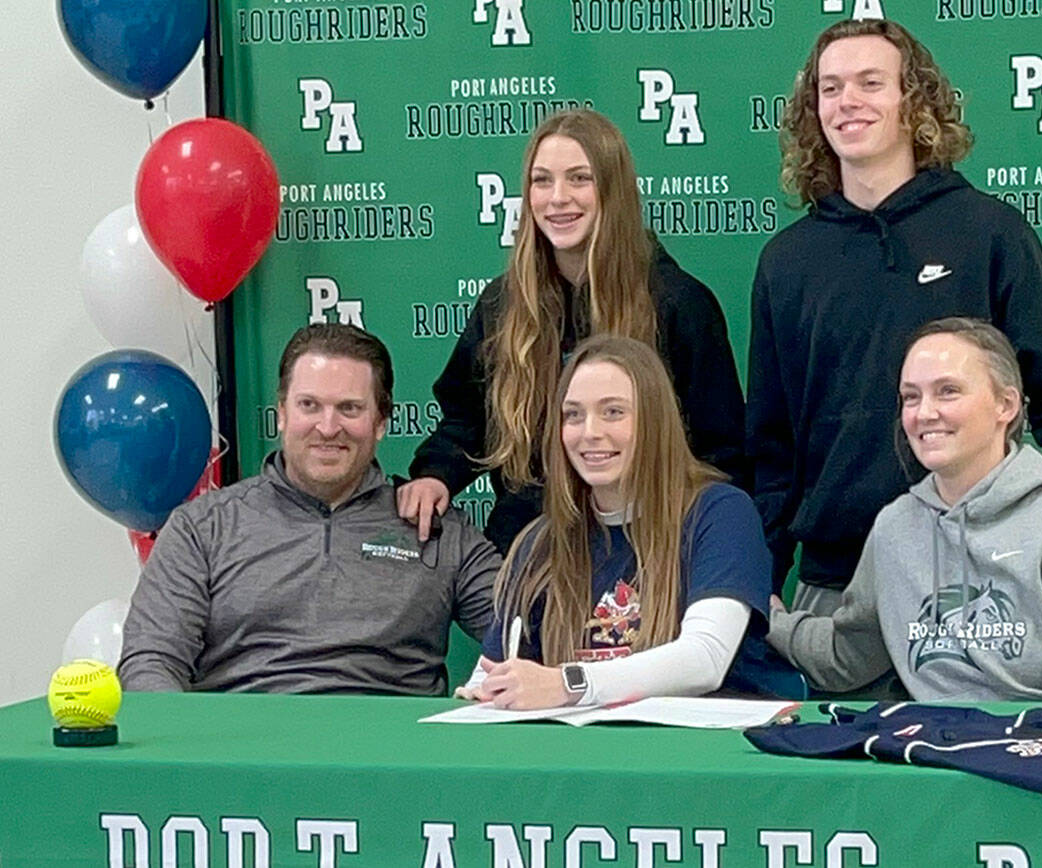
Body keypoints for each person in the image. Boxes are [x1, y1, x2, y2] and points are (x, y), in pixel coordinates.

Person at [747, 19, 1042, 617]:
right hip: (835, 588)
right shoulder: (787, 262)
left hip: (982, 576)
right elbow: (771, 452)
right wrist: (754, 580)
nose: (849, 103)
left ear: (912, 102)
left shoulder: (989, 233)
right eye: (831, 88)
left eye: (871, 83)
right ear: (812, 110)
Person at [399, 108, 746, 555]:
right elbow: (469, 418)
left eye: (579, 178)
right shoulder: (503, 305)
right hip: (528, 546)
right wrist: (435, 473)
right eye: (542, 181)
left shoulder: (679, 305)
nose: (558, 197)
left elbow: (720, 456)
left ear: (613, 189)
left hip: (646, 551)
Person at [766, 318, 1042, 701]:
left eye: (948, 391)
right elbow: (848, 656)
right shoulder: (895, 527)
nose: (925, 413)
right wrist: (764, 616)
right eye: (911, 397)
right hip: (935, 753)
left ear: (1007, 405)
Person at [119, 323, 500, 695]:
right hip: (247, 749)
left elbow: (529, 633)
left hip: (394, 750)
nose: (328, 427)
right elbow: (151, 660)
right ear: (282, 413)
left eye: (349, 408)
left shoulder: (437, 529)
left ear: (381, 422)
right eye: (309, 406)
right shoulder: (202, 527)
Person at [460, 335, 789, 710]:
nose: (590, 432)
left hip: (707, 756)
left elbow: (706, 659)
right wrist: (488, 691)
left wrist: (570, 683)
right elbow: (490, 671)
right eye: (573, 415)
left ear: (655, 421)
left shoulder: (720, 513)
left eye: (613, 412)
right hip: (585, 757)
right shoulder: (541, 542)